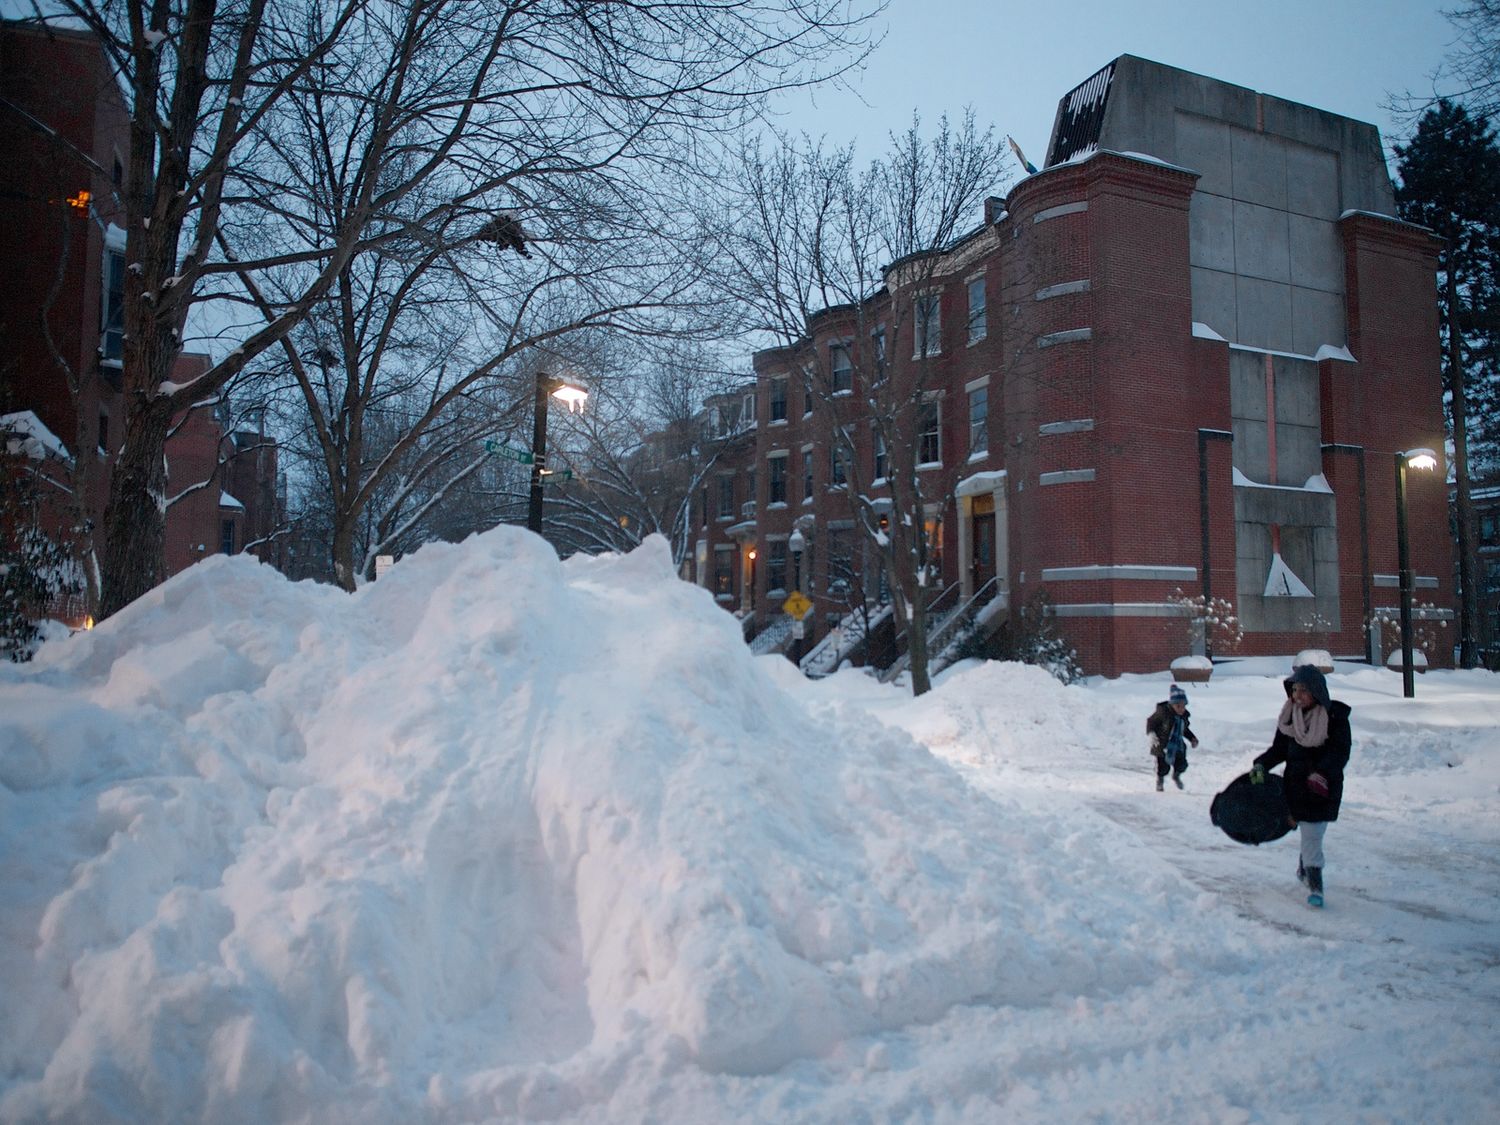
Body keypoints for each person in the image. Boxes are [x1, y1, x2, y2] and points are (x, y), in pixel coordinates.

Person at [1250, 665, 1352, 908]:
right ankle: (1310, 873)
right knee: (1310, 834)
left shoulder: (1335, 718)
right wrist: (1261, 765)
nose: (1297, 696)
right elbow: (1279, 750)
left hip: (1321, 788)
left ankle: (1313, 878)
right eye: (1294, 690)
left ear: (1316, 691)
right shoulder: (1289, 719)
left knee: (1313, 834)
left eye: (1303, 690)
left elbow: (1340, 753)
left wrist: (1322, 772)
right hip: (1295, 785)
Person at [1146, 684, 1198, 792]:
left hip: (1178, 745)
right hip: (1162, 745)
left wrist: (1192, 738)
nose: (1181, 709)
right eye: (1178, 706)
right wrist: (1151, 733)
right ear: (1172, 704)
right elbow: (1151, 722)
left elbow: (1184, 730)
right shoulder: (1163, 712)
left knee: (1182, 764)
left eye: (1183, 706)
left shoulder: (1183, 717)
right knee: (1163, 767)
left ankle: (1176, 776)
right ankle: (1160, 780)